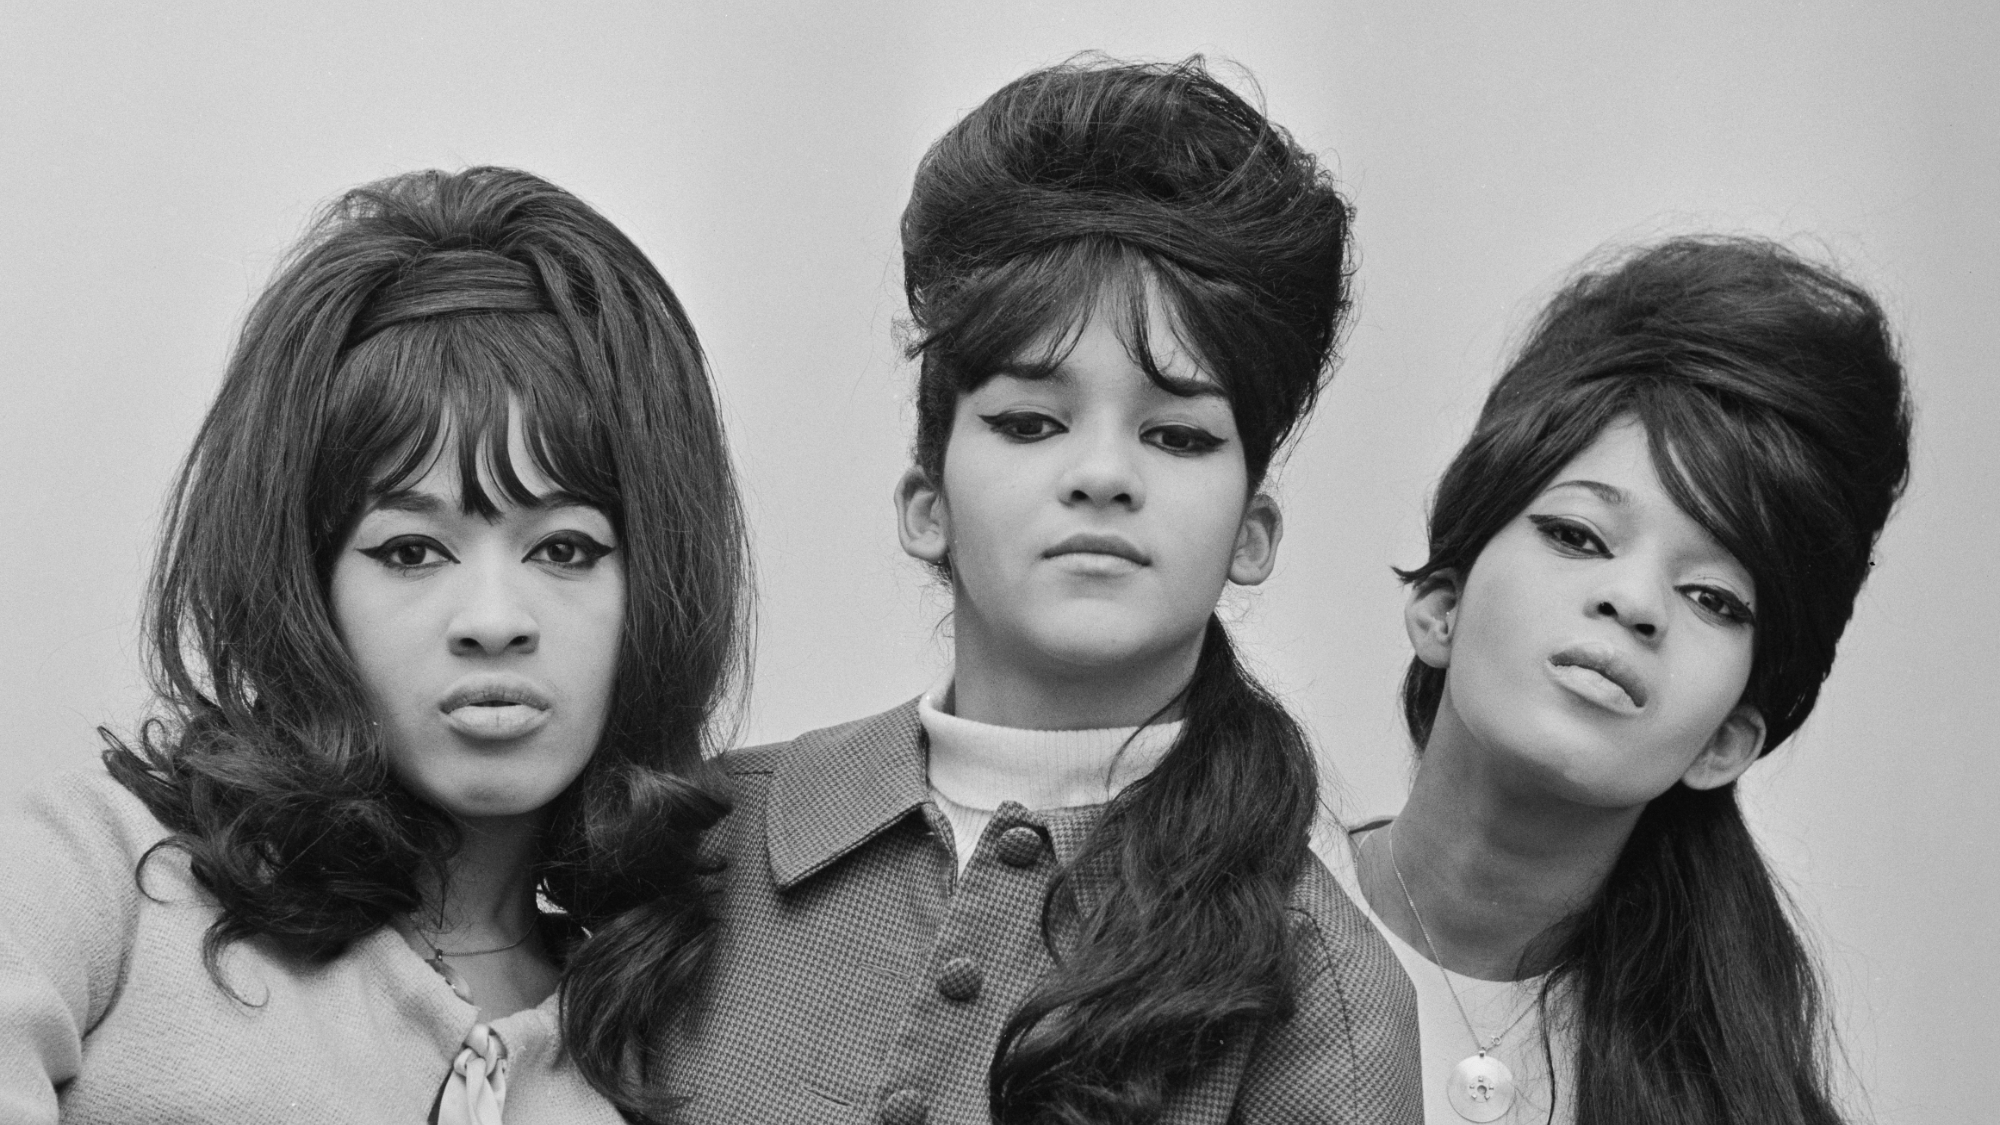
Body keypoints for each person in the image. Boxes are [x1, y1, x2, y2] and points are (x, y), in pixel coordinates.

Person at [657, 57, 1421, 1124]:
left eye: (1176, 434)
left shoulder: (1318, 990)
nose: (1101, 473)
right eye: (1029, 422)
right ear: (925, 502)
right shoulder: (702, 843)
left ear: (1253, 534)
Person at [0, 166, 749, 1124]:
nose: (492, 617)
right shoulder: (102, 874)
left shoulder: (679, 1019)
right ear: (309, 585)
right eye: (411, 549)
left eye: (565, 548)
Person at [1319, 237, 1911, 1124]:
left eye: (1712, 596)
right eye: (1578, 537)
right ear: (1442, 606)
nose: (1635, 602)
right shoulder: (1189, 935)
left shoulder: (1741, 1094)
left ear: (1726, 741)